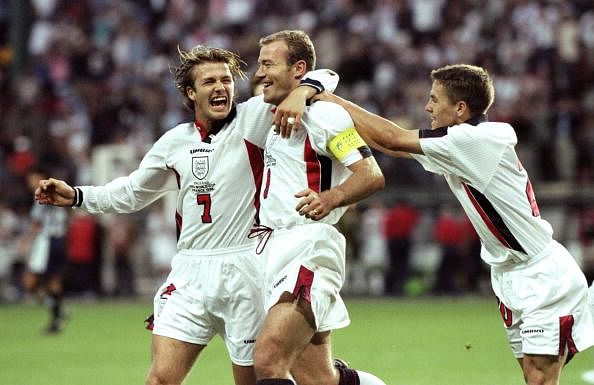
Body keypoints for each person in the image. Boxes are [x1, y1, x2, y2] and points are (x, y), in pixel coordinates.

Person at [34, 45, 338, 385]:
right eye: (209, 81)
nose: (221, 87)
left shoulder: (254, 119)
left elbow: (327, 75)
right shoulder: (174, 142)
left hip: (246, 270)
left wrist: (305, 91)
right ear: (191, 92)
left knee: (255, 379)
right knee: (160, 380)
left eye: (226, 80)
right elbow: (133, 192)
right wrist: (77, 196)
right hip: (189, 272)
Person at [314, 63, 594, 385]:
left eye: (434, 99)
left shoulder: (470, 142)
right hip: (509, 273)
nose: (427, 107)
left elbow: (391, 137)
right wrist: (336, 122)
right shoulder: (461, 143)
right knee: (533, 375)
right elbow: (387, 144)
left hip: (541, 275)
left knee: (540, 378)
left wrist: (326, 98)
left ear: (460, 108)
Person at [251, 30, 387, 385]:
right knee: (317, 379)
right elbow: (324, 75)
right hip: (272, 247)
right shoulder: (273, 112)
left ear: (297, 68)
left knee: (268, 360)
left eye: (268, 64)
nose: (259, 73)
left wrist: (331, 198)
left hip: (308, 245)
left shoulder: (326, 116)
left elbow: (370, 174)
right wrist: (303, 88)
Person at [18, 168, 69, 334]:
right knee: (51, 281)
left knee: (32, 282)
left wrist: (26, 242)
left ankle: (57, 314)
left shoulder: (43, 195)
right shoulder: (59, 192)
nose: (30, 182)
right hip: (58, 240)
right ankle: (58, 313)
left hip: (47, 241)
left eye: (33, 178)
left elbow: (37, 223)